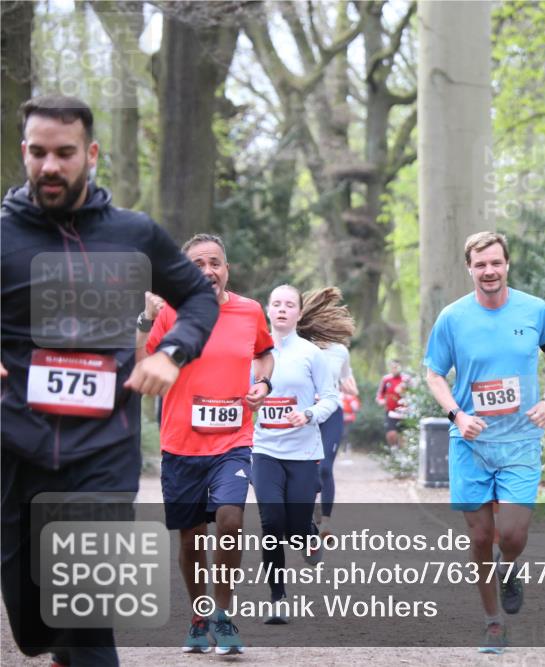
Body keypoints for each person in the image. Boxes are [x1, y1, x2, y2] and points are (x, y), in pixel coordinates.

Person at [1, 95, 218, 667]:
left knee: (86, 615)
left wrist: (171, 351)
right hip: (14, 444)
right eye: (39, 153)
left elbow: (197, 295)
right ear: (25, 153)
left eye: (65, 153)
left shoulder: (134, 235)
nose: (51, 166)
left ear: (90, 154)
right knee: (34, 627)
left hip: (102, 448)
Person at [424, 231, 545, 654]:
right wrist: (457, 414)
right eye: (480, 264)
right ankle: (492, 623)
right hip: (471, 443)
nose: (489, 271)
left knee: (512, 535)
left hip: (520, 440)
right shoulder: (452, 318)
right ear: (469, 268)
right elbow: (434, 373)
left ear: (507, 265)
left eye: (496, 263)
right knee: (481, 537)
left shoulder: (535, 310)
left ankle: (510, 567)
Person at [138, 233, 274, 655]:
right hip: (180, 443)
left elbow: (265, 353)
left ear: (226, 270)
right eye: (196, 263)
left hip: (233, 441)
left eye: (214, 262)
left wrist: (264, 383)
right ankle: (198, 617)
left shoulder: (250, 311)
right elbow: (143, 371)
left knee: (231, 519)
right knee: (191, 537)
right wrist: (146, 320)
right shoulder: (170, 314)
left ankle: (223, 614)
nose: (207, 270)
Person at [251, 285, 338, 623]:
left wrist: (309, 414)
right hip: (264, 450)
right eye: (277, 304)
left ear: (299, 313)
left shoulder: (310, 353)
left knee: (296, 526)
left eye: (290, 305)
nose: (283, 309)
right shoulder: (254, 353)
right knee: (272, 523)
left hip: (303, 450)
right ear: (267, 311)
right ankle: (277, 599)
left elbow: (330, 398)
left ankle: (309, 535)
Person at [297, 287, 357, 536]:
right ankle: (310, 516)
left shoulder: (340, 351)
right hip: (305, 415)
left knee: (324, 468)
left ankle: (327, 524)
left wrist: (350, 387)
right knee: (308, 469)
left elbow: (347, 379)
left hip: (331, 414)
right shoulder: (299, 347)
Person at [376, 358, 411, 447]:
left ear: (400, 367)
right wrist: (381, 401)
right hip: (391, 412)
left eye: (396, 367)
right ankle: (394, 449)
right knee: (391, 434)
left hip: (404, 411)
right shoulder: (386, 379)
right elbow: (380, 394)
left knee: (403, 435)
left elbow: (414, 393)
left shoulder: (406, 379)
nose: (394, 369)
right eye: (393, 367)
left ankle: (402, 454)